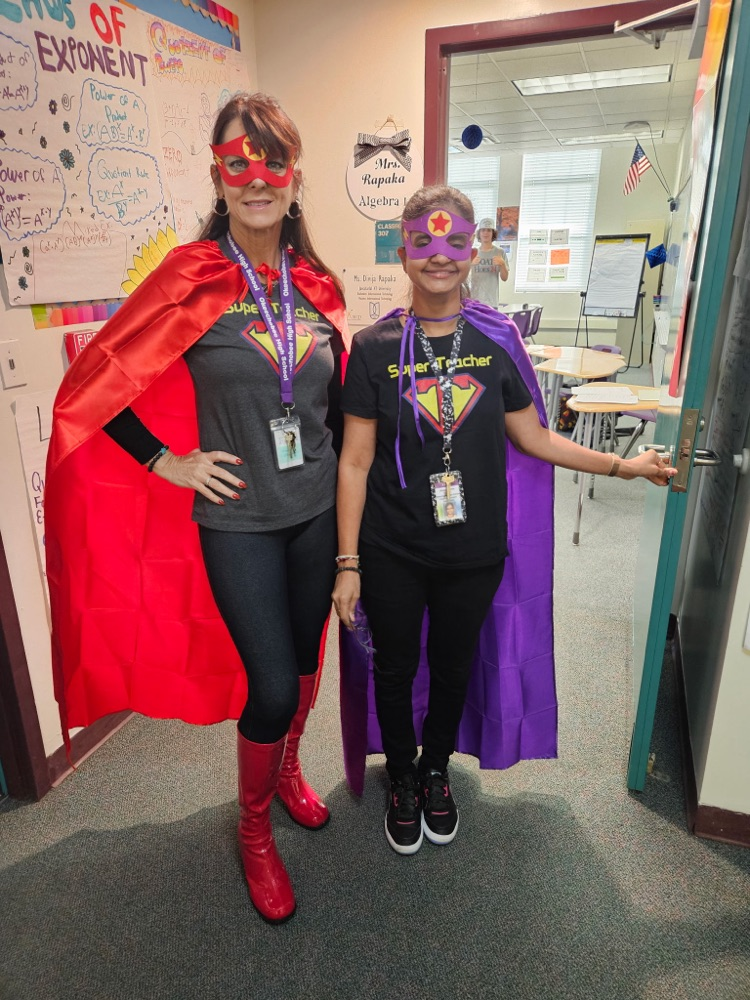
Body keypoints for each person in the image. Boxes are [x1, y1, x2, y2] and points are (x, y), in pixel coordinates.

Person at [45, 93, 349, 923]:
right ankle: (253, 830)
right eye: (238, 162)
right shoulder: (190, 278)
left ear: (295, 177)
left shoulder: (317, 285)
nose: (257, 178)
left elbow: (337, 407)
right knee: (273, 687)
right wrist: (165, 460)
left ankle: (287, 774)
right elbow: (95, 385)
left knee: (309, 663)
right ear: (218, 173)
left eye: (272, 161)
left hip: (316, 511)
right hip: (240, 520)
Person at [332, 185, 674, 856]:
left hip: (474, 547)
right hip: (392, 546)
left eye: (455, 242)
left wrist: (622, 467)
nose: (440, 258)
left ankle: (436, 772)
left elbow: (537, 439)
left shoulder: (495, 338)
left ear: (473, 248)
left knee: (454, 665)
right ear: (404, 250)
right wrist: (347, 563)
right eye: (425, 243)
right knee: (396, 667)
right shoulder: (372, 347)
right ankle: (400, 776)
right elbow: (354, 460)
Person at [470, 217, 509, 308]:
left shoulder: (500, 252)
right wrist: (470, 264)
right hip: (475, 301)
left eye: (489, 230)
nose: (486, 233)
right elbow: (463, 277)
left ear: (493, 233)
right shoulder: (473, 252)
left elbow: (504, 278)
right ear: (479, 233)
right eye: (483, 230)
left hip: (492, 302)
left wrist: (502, 264)